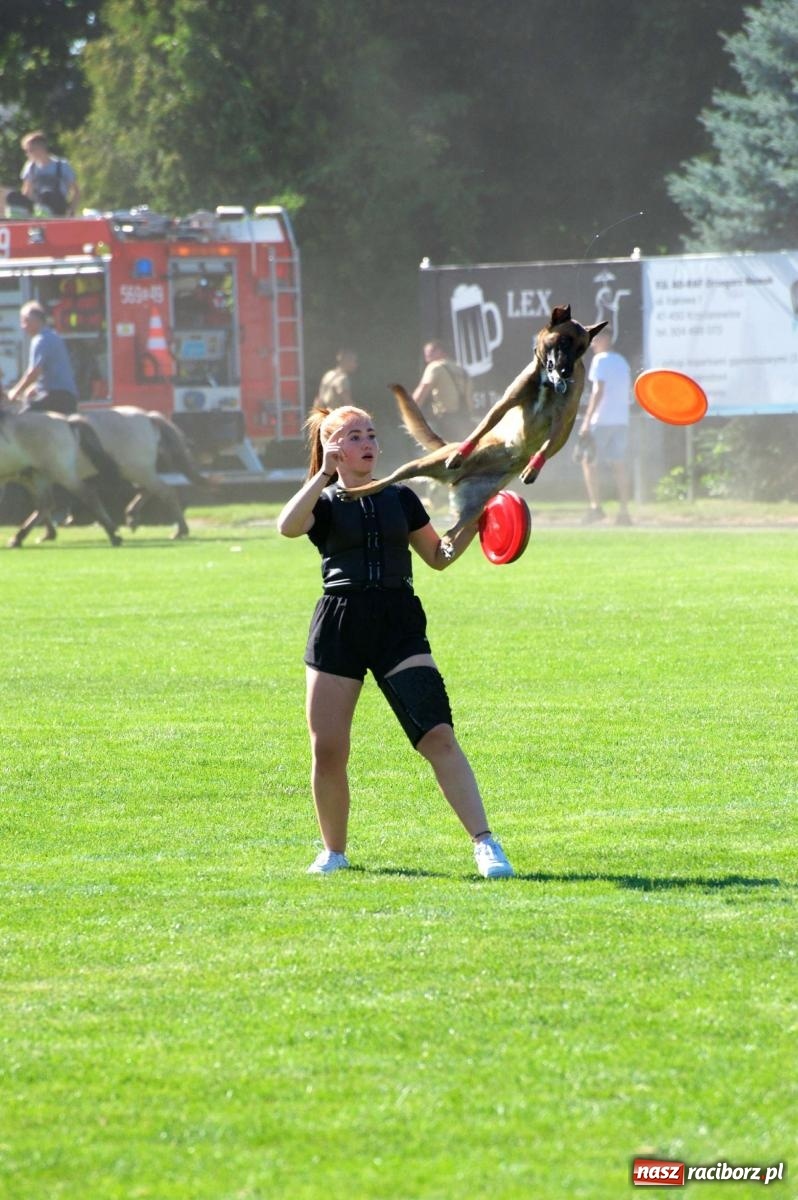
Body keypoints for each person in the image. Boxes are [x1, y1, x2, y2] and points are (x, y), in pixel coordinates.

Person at [277, 404, 515, 879]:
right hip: (339, 623)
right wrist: (323, 475)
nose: (367, 443)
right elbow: (287, 526)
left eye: (370, 434)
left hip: (396, 621)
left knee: (438, 735)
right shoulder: (322, 502)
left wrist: (477, 517)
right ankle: (333, 852)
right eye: (353, 436)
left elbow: (438, 556)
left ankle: (485, 843)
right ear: (333, 448)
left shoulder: (401, 497)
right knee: (328, 750)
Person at [577, 326, 632, 525]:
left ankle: (596, 507)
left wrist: (587, 420)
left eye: (596, 339)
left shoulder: (600, 360)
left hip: (601, 420)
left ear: (607, 339)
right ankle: (624, 512)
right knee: (619, 465)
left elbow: (598, 391)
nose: (592, 344)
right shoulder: (622, 361)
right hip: (621, 420)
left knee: (588, 461)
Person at [6, 301, 79, 414]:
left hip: (56, 397)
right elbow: (54, 373)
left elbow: (34, 372)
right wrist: (35, 387)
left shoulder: (40, 340)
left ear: (35, 321)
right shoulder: (54, 336)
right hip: (69, 398)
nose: (23, 326)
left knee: (22, 416)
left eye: (25, 321)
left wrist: (15, 391)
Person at [412, 340, 473, 442]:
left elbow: (423, 388)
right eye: (426, 355)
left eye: (430, 353)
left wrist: (409, 411)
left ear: (440, 351)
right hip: (466, 419)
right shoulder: (462, 370)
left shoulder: (435, 367)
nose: (427, 358)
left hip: (446, 421)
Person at [19, 131, 80, 217]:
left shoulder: (62, 165)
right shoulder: (30, 167)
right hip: (38, 211)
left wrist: (71, 210)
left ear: (40, 149)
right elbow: (26, 191)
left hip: (59, 211)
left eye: (29, 150)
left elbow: (75, 191)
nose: (27, 154)